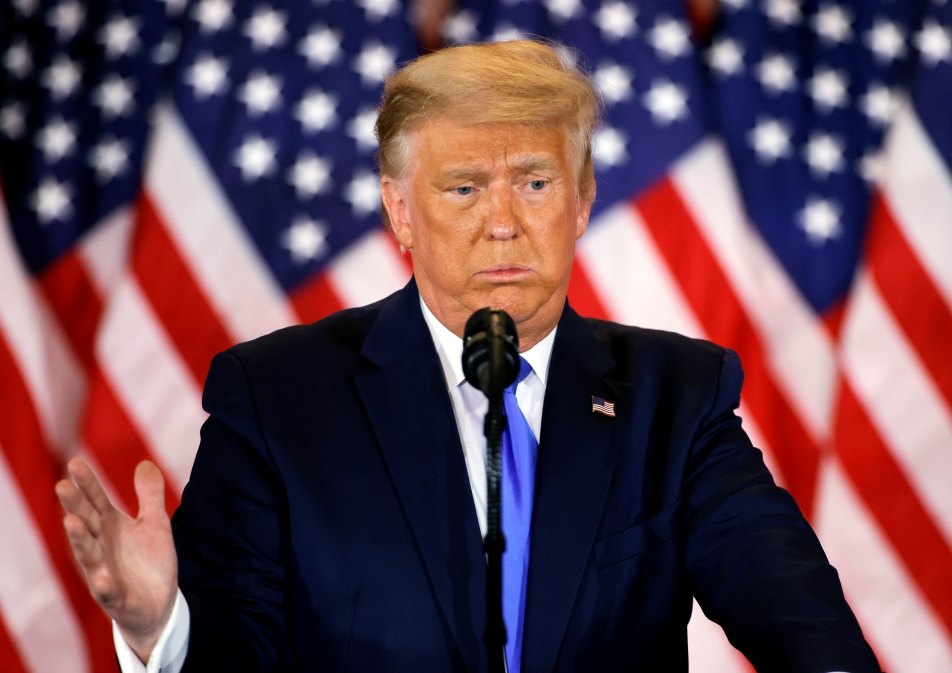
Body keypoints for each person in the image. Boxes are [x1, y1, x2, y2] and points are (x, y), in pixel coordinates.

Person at [57, 40, 882, 673]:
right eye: (462, 188)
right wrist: (158, 624)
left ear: (584, 198)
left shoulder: (677, 395)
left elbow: (799, 620)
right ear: (399, 210)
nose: (502, 221)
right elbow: (236, 654)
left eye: (534, 182)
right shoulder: (277, 399)